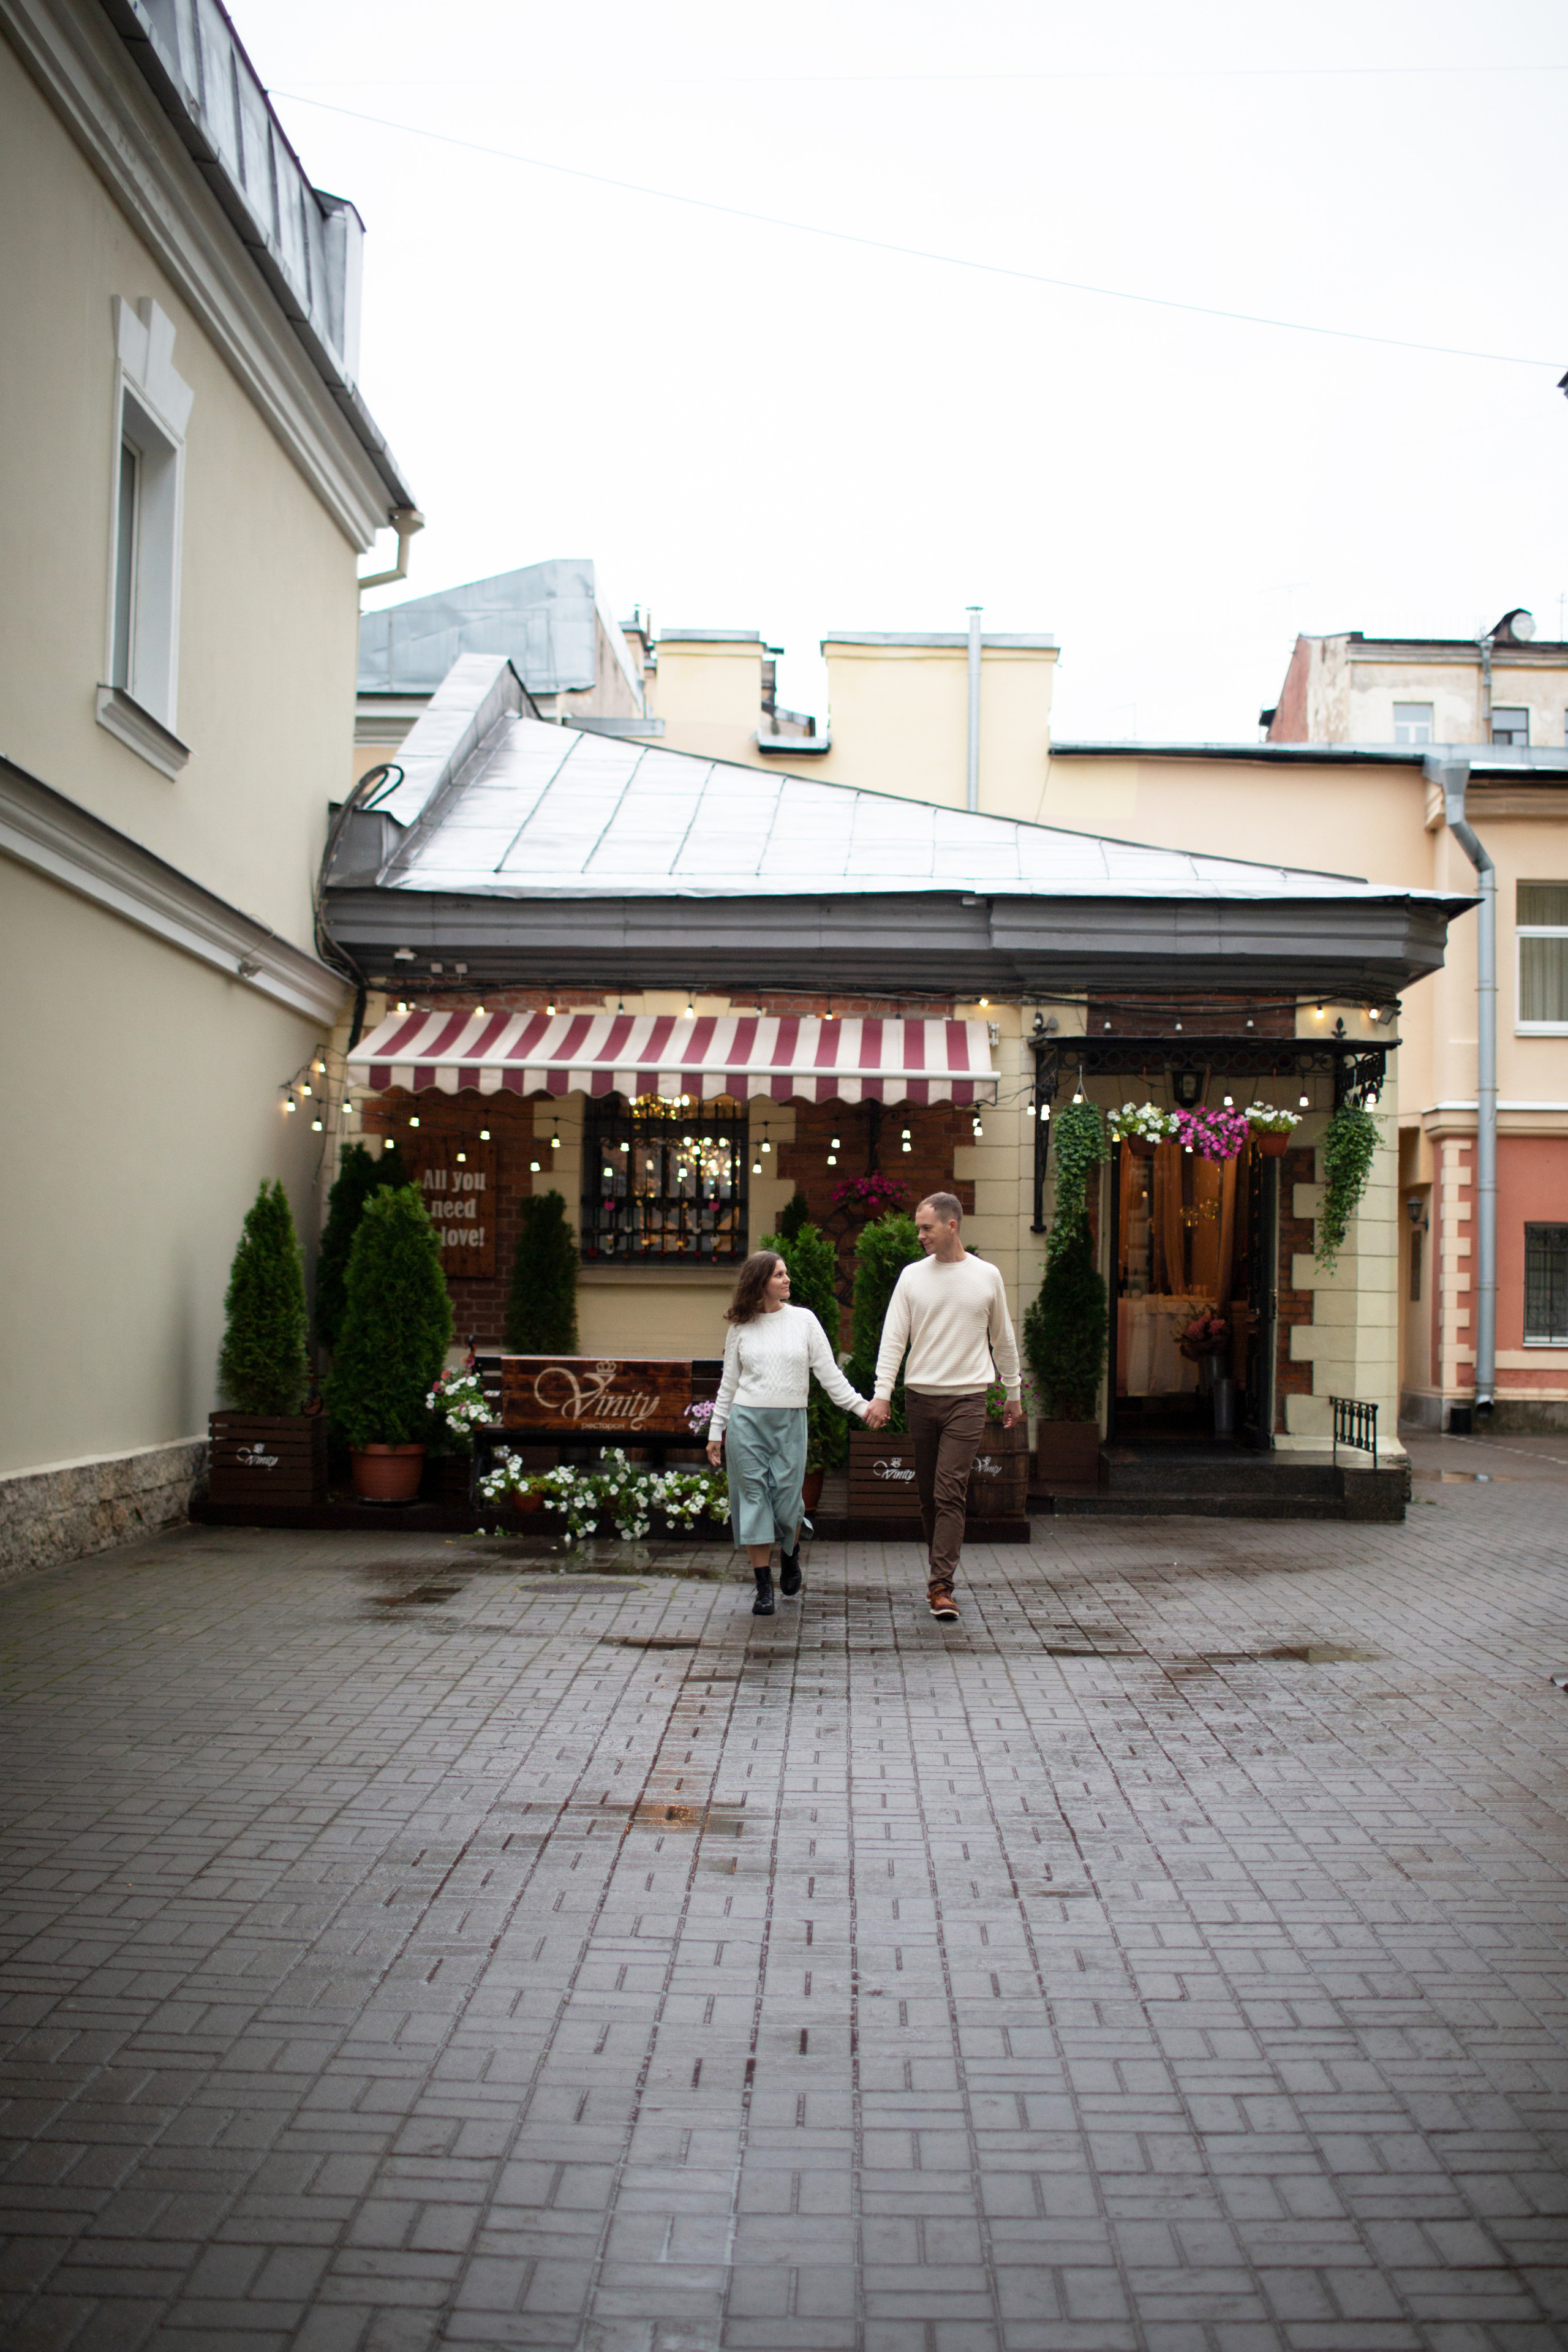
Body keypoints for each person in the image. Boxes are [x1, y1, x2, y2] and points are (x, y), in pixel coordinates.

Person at [863, 1193, 1022, 1623]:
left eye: (926, 1228)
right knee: (929, 1496)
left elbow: (1002, 1339)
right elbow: (894, 1338)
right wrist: (883, 1392)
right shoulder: (912, 1278)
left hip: (968, 1398)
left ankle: (941, 1586)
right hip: (921, 1398)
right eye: (919, 1228)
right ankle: (940, 1576)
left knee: (950, 1489)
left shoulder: (986, 1276)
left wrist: (1013, 1391)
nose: (920, 1236)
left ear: (952, 1226)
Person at [708, 1250, 871, 1616]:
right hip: (747, 1422)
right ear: (760, 1282)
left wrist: (863, 1407)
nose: (787, 1280)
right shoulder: (740, 1327)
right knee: (753, 1499)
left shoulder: (805, 1321)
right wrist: (716, 1429)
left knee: (787, 1504)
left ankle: (791, 1554)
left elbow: (830, 1376)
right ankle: (762, 1586)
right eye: (779, 1275)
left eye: (787, 1273)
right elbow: (728, 1384)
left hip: (790, 1424)